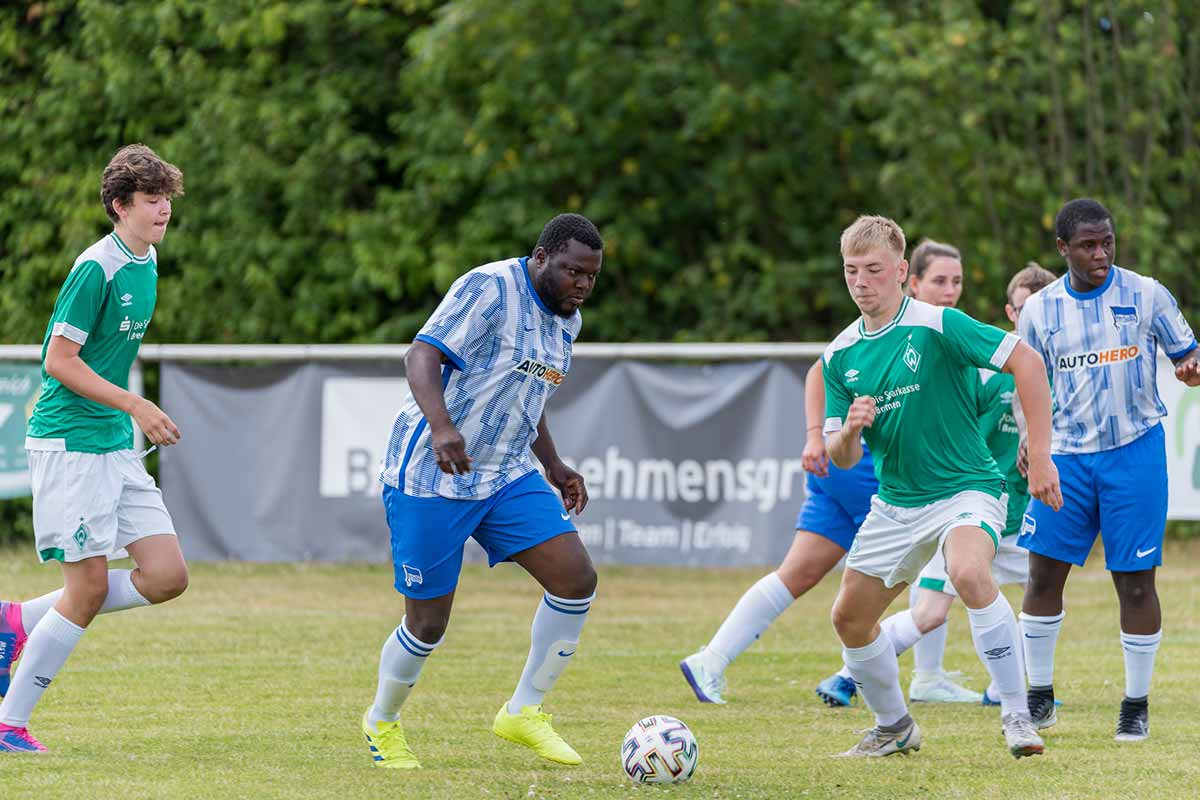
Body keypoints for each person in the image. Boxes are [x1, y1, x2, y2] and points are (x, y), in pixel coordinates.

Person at [361, 213, 603, 769]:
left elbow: (529, 395)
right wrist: (443, 428)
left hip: (505, 473)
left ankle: (524, 711)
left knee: (576, 578)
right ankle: (382, 721)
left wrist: (555, 465)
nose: (582, 285)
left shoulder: (569, 321)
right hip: (432, 473)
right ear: (541, 257)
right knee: (428, 624)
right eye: (573, 272)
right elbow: (420, 355)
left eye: (592, 276)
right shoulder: (489, 287)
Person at [823, 215, 1061, 759]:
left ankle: (1018, 717)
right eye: (851, 271)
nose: (861, 282)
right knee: (849, 619)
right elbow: (843, 455)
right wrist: (852, 431)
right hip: (898, 501)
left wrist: (1041, 455)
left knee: (970, 571)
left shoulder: (937, 323)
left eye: (874, 270)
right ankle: (894, 726)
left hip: (968, 485)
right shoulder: (840, 355)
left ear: (901, 271)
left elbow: (1025, 360)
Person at [0, 144, 188, 754]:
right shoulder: (96, 269)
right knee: (87, 590)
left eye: (166, 198)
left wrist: (125, 417)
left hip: (112, 443)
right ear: (119, 206)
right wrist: (136, 404)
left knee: (166, 576)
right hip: (71, 444)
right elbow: (58, 362)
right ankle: (9, 724)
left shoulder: (149, 258)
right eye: (151, 200)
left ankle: (17, 624)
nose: (163, 209)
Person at [1015, 198, 1200, 742]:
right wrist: (1033, 444)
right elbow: (1027, 385)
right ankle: (1039, 694)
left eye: (1107, 242)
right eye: (1088, 245)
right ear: (1062, 249)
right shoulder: (1039, 311)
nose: (1100, 254)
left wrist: (1191, 369)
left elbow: (1188, 356)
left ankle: (1135, 704)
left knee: (1136, 584)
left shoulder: (1147, 294)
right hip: (1067, 458)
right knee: (1043, 574)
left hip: (1134, 452)